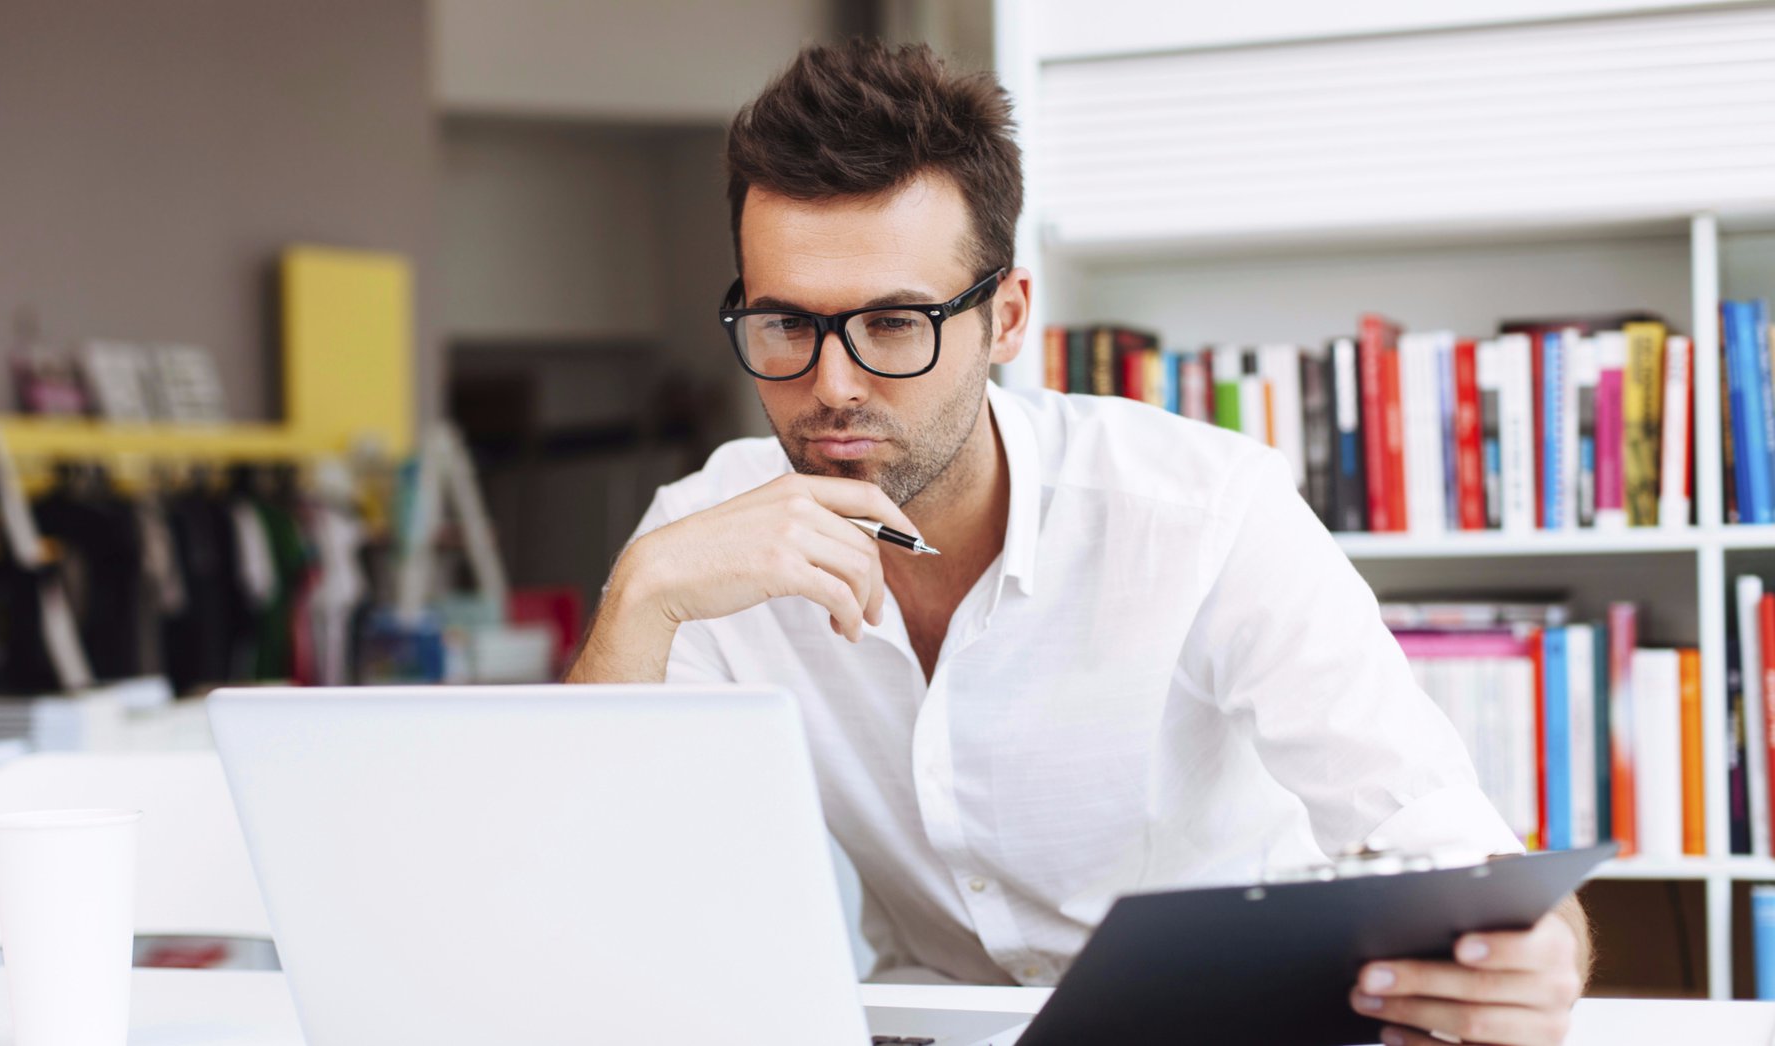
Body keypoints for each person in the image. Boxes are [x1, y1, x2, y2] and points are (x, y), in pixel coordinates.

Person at [565, 40, 1587, 1046]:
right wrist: (641, 592)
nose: (831, 384)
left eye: (891, 323)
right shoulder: (702, 542)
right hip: (932, 1028)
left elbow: (1452, 853)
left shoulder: (1205, 511)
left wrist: (1534, 956)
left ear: (1005, 316)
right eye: (784, 323)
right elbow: (587, 893)